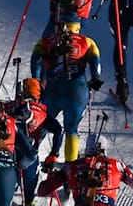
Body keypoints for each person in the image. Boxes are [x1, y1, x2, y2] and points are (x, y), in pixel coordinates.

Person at [7, 77, 64, 206]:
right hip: (28, 162)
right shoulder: (43, 113)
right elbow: (58, 130)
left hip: (6, 157)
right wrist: (53, 154)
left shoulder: (11, 106)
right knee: (28, 198)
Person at [30, 22, 101, 161]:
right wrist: (95, 78)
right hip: (77, 90)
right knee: (71, 129)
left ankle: (30, 154)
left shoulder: (46, 40)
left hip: (53, 89)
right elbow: (96, 60)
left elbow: (35, 59)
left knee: (42, 122)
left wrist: (36, 80)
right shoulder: (87, 41)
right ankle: (71, 166)